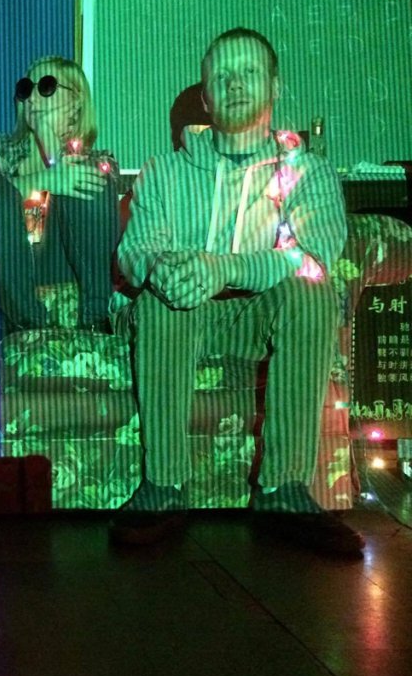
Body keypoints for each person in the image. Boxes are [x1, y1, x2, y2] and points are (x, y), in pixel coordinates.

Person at [111, 28, 363, 556]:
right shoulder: (164, 171)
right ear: (205, 97)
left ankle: (283, 490)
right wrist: (161, 268)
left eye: (249, 71)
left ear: (275, 86)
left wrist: (223, 268)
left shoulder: (307, 172)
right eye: (222, 75)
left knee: (312, 292)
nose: (235, 83)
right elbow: (134, 253)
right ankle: (164, 485)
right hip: (185, 317)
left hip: (262, 316)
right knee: (161, 298)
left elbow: (313, 256)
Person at [0, 56, 121, 331]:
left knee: (89, 180)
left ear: (76, 102)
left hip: (71, 273)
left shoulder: (99, 161)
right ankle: (27, 323)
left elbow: (93, 185)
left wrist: (51, 146)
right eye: (26, 89)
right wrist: (45, 180)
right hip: (17, 283)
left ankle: (95, 319)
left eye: (46, 86)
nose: (32, 97)